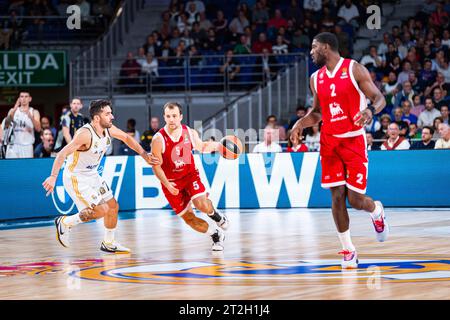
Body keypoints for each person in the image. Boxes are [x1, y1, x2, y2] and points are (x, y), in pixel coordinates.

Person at [291, 32, 389, 269]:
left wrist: (369, 111)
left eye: (314, 47)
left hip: (353, 141)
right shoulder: (315, 78)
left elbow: (379, 97)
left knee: (355, 200)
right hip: (329, 143)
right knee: (336, 196)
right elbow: (317, 112)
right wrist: (299, 124)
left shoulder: (354, 69)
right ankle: (348, 250)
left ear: (326, 47)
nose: (311, 52)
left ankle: (376, 210)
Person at [42, 99, 160, 253]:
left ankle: (109, 242)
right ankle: (65, 222)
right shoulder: (85, 134)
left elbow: (126, 138)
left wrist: (145, 155)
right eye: (108, 114)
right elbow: (63, 153)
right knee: (102, 210)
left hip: (92, 174)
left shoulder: (108, 129)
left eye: (111, 113)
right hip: (76, 177)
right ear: (97, 118)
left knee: (113, 207)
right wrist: (53, 176)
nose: (112, 117)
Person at [151, 102, 229, 251]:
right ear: (164, 117)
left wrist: (219, 146)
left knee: (201, 204)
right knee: (189, 220)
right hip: (171, 183)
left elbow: (202, 147)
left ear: (180, 116)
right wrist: (167, 184)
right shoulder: (158, 139)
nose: (171, 119)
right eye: (168, 116)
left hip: (189, 176)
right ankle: (216, 234)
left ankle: (215, 215)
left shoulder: (189, 132)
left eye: (174, 116)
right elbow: (156, 167)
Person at [4, 92, 41, 158]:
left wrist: (31, 117)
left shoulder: (34, 112)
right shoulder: (12, 111)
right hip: (13, 145)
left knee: (26, 167)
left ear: (30, 99)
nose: (24, 99)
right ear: (19, 99)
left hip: (27, 145)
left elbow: (38, 129)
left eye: (26, 96)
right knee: (12, 166)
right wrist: (15, 108)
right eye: (22, 96)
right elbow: (6, 124)